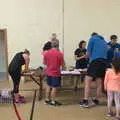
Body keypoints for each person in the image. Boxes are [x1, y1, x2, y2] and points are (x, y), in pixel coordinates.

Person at [80, 32, 108, 108]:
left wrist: (85, 57)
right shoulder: (104, 41)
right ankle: (96, 100)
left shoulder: (92, 38)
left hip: (95, 61)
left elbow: (88, 53)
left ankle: (85, 101)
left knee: (87, 80)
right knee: (99, 81)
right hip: (104, 62)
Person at [43, 40, 64, 106]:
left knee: (48, 86)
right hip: (55, 73)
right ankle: (53, 101)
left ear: (51, 45)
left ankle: (46, 100)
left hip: (48, 72)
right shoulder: (59, 54)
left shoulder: (47, 53)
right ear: (58, 45)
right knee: (54, 87)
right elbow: (62, 64)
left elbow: (44, 63)